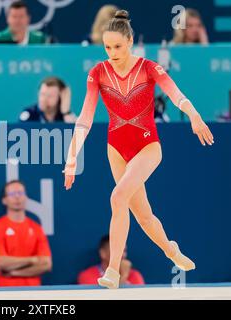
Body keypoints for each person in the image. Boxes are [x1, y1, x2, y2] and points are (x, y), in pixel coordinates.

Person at [63, 10, 214, 289]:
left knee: (118, 196)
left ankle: (112, 271)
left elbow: (176, 94)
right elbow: (84, 117)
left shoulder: (149, 68)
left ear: (130, 40)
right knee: (144, 216)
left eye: (118, 46)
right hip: (116, 148)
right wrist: (71, 158)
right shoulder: (97, 73)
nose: (112, 52)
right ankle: (171, 250)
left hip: (148, 146)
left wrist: (194, 115)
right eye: (107, 47)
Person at [0, 180, 52, 287]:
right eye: (12, 194)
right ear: (4, 200)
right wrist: (33, 259)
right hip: (5, 293)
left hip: (34, 292)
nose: (17, 197)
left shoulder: (36, 228)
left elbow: (46, 264)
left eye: (20, 193)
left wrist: (14, 272)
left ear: (26, 197)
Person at [77, 235, 144, 285]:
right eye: (117, 251)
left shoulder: (135, 275)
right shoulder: (87, 275)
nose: (123, 255)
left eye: (124, 251)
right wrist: (123, 276)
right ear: (103, 253)